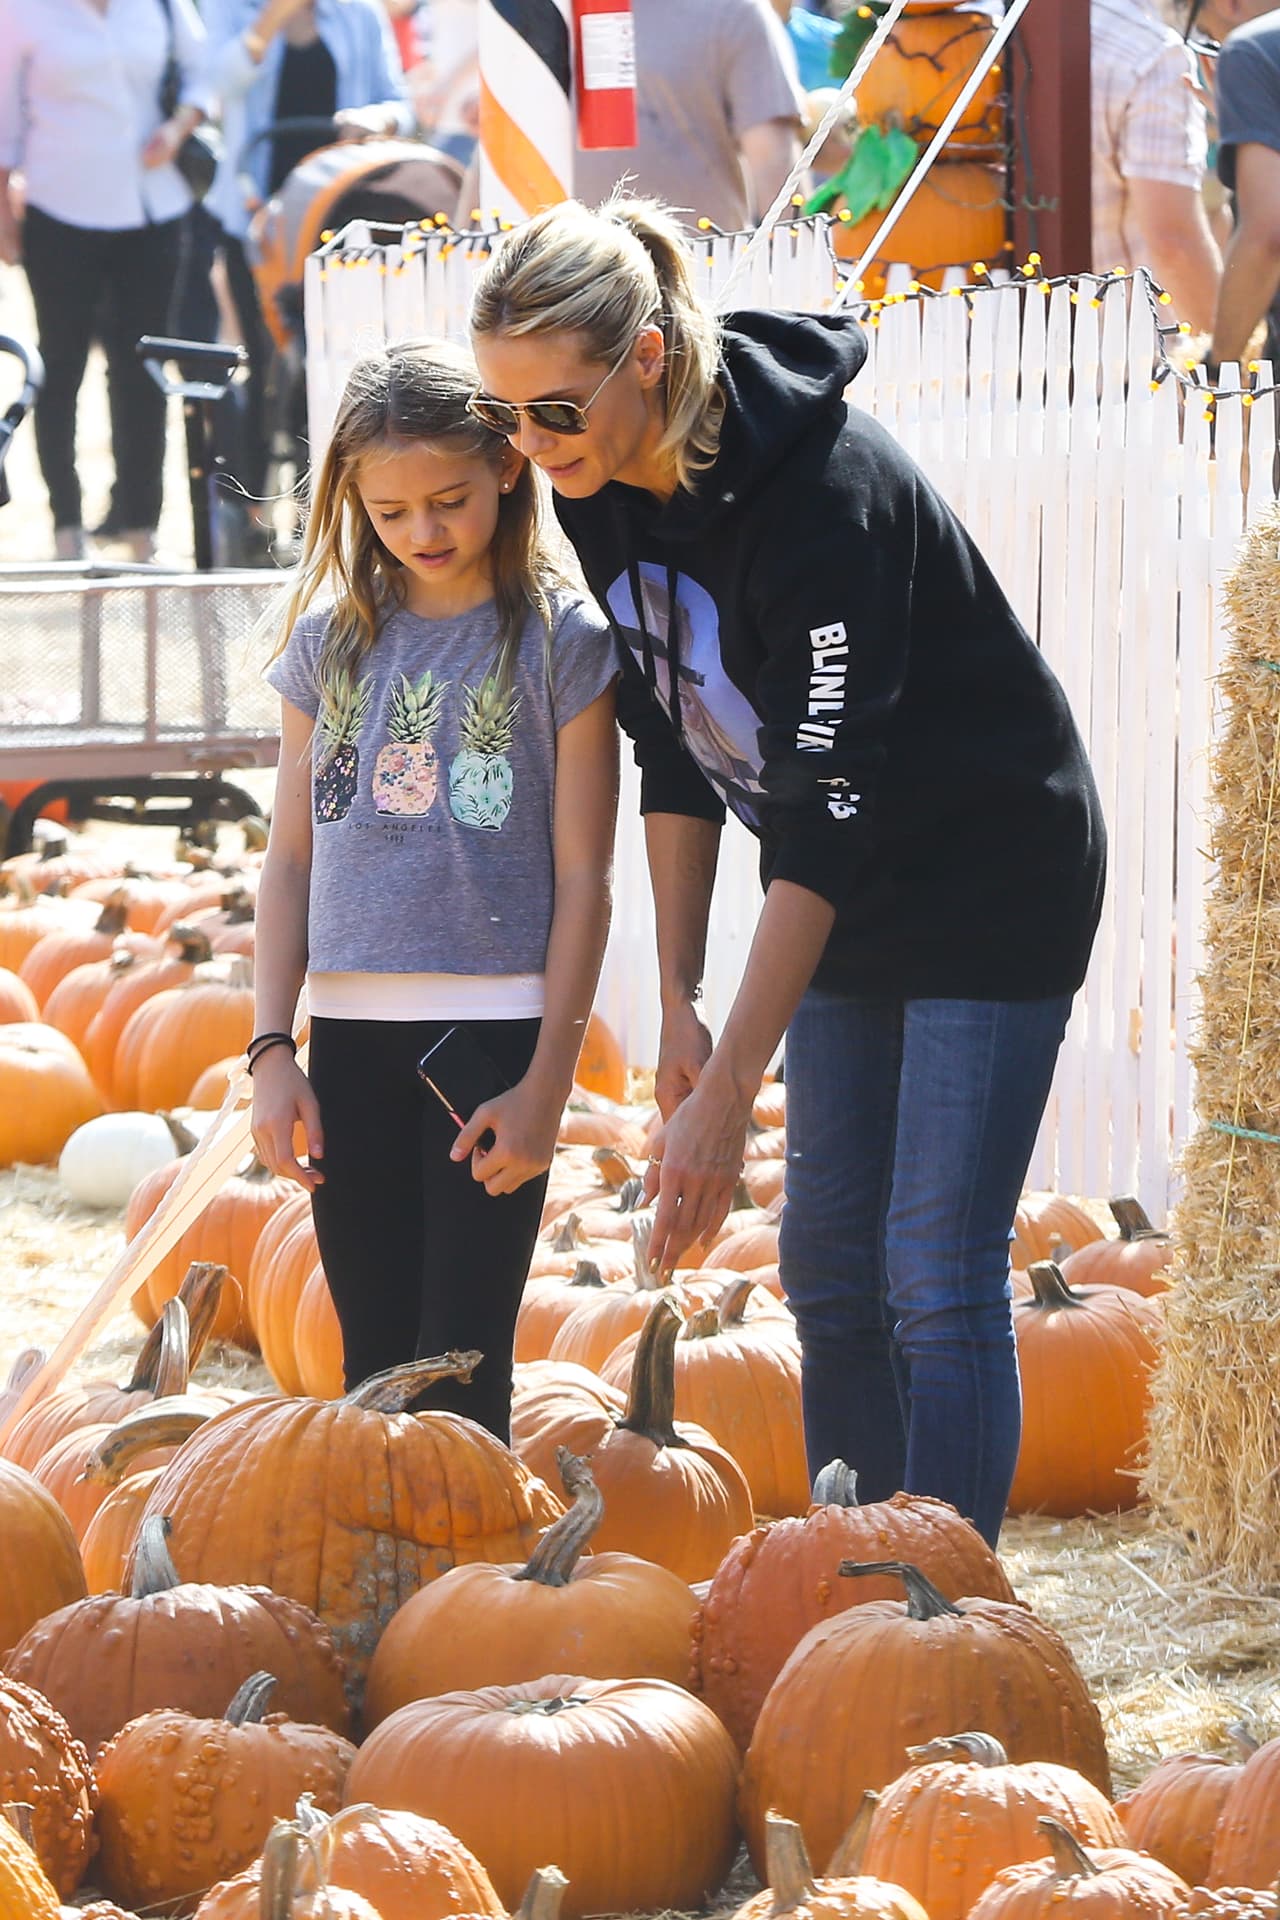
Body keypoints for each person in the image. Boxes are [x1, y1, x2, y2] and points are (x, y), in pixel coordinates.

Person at [469, 196, 1106, 1545]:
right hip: (845, 885)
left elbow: (817, 821)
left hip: (989, 873)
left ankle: (947, 1601)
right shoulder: (602, 491)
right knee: (824, 1262)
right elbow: (678, 737)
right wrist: (685, 1004)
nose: (528, 449)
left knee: (932, 1268)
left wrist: (728, 1099)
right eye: (505, 419)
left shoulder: (825, 502)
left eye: (554, 413)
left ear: (646, 359)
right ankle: (850, 1572)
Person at [250, 338, 618, 1439]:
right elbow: (287, 861)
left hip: (491, 1043)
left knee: (461, 1382)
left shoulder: (564, 643)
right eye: (390, 511)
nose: (423, 532)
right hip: (347, 1046)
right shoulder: (329, 644)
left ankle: (463, 1597)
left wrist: (549, 1082)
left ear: (509, 468)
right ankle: (395, 1611)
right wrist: (273, 1050)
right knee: (371, 1379)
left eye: (448, 499)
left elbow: (583, 878)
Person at [201, 0, 415, 554]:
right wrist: (271, 19)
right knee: (262, 359)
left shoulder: (359, 14)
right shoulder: (234, 12)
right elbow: (217, 83)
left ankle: (318, 512)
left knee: (332, 366)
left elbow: (402, 104)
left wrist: (379, 119)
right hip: (258, 219)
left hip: (340, 219)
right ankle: (246, 514)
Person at [0, 0, 210, 561]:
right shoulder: (22, 11)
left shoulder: (162, 5)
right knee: (61, 364)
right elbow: (4, 124)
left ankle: (143, 528)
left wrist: (177, 126)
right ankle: (67, 527)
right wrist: (4, 216)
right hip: (58, 211)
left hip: (154, 209)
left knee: (142, 369)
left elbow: (202, 71)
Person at [570, 0, 806, 233]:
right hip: (560, 265)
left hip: (705, 264)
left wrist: (797, 260)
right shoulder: (544, 14)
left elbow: (774, 164)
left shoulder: (734, 13)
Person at [1091, 0, 1223, 333]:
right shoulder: (1153, 54)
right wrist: (1230, 355)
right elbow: (1174, 241)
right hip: (1130, 356)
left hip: (975, 345)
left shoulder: (983, 22)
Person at [1192, 1, 1280, 373]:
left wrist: (1218, 368)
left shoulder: (1251, 50)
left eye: (1209, 36)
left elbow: (1268, 235)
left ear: (1228, 4)